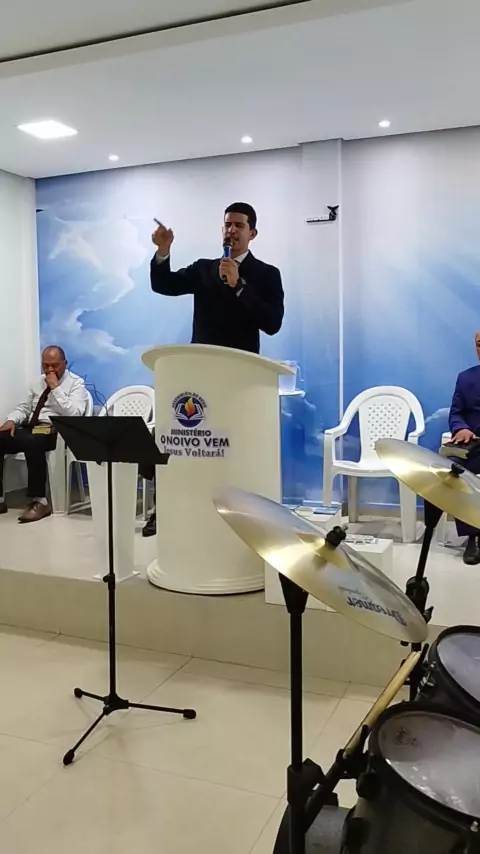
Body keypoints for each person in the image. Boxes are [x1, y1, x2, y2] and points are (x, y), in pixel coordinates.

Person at [143, 202, 284, 536]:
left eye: (239, 225)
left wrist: (239, 285)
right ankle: (169, 508)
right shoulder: (204, 269)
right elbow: (164, 285)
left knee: (230, 448)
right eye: (227, 225)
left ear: (252, 233)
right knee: (186, 441)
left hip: (239, 379)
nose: (231, 230)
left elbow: (272, 323)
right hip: (199, 377)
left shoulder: (267, 274)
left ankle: (236, 514)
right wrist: (163, 252)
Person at [0, 346, 89, 523]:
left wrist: (56, 389)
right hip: (31, 428)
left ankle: (39, 501)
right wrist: (11, 420)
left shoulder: (76, 383)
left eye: (54, 365)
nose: (49, 370)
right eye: (45, 365)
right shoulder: (37, 382)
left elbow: (75, 414)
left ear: (65, 363)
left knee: (32, 441)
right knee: (2, 438)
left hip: (56, 431)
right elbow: (24, 408)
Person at [448, 330, 480, 564]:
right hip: (474, 443)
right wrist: (461, 429)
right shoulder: (465, 378)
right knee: (453, 468)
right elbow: (456, 413)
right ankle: (473, 536)